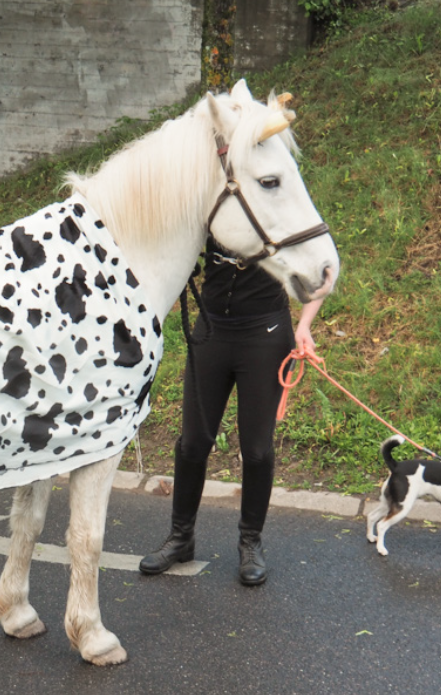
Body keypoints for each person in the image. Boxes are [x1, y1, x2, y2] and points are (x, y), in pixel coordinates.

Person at [138, 250, 325, 585]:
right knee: (193, 442)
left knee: (256, 449)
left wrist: (305, 325)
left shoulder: (275, 209)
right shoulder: (210, 206)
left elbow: (321, 268)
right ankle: (181, 538)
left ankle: (250, 542)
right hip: (212, 332)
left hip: (264, 335)